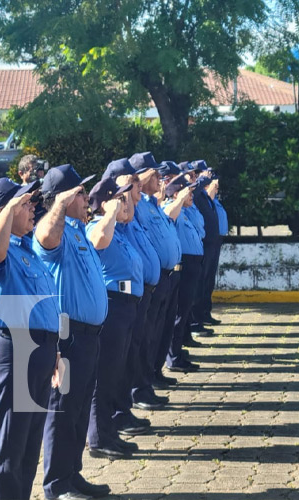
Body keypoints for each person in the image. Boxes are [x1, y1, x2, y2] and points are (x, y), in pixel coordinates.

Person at [0, 177, 61, 500]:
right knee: (9, 447)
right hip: (13, 352)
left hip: (39, 352)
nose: (32, 209)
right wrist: (8, 211)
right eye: (25, 204)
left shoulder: (29, 251)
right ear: (4, 211)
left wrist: (52, 349)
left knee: (28, 447)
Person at [34, 164, 111, 500]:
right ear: (63, 198)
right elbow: (46, 238)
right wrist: (60, 206)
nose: (86, 198)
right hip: (69, 338)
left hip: (90, 337)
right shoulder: (55, 230)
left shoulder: (79, 230)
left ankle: (72, 474)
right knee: (62, 413)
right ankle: (55, 485)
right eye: (80, 192)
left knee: (78, 411)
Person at [101, 159, 162, 438]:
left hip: (138, 297)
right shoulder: (113, 222)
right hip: (119, 301)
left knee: (131, 355)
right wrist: (124, 199)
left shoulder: (130, 218)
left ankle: (123, 409)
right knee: (118, 365)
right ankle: (116, 415)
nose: (137, 186)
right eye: (131, 183)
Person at [84, 177, 142, 460]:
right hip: (112, 305)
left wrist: (122, 206)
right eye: (119, 198)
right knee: (104, 376)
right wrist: (108, 212)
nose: (125, 202)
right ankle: (97, 437)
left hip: (126, 306)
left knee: (115, 374)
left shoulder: (120, 229)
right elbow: (97, 241)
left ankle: (109, 431)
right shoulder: (99, 226)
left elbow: (129, 213)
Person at [129, 152, 182, 411]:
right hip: (147, 282)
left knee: (154, 336)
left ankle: (148, 379)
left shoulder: (150, 203)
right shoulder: (135, 204)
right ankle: (139, 387)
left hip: (162, 278)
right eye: (153, 173)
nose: (159, 177)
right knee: (142, 339)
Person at [162, 175, 203, 373]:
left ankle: (177, 352)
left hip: (191, 264)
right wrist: (179, 199)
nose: (191, 194)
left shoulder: (185, 211)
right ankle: (173, 357)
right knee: (178, 315)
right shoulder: (173, 207)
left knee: (183, 312)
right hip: (183, 266)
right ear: (177, 193)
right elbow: (168, 213)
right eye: (188, 191)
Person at [189, 160, 221, 336]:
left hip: (210, 243)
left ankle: (202, 316)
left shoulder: (202, 194)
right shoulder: (195, 191)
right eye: (198, 173)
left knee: (206, 282)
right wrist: (203, 182)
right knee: (198, 286)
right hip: (201, 245)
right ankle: (195, 321)